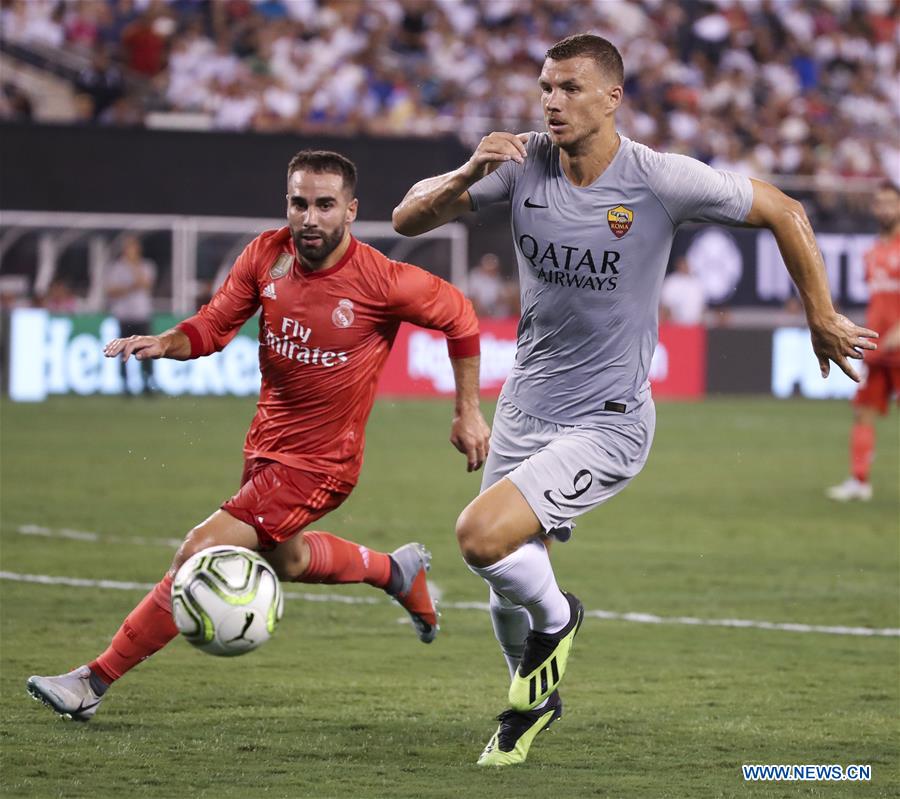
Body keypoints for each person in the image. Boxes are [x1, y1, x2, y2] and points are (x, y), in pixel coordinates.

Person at [392, 33, 878, 766]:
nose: (552, 102)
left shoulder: (658, 178)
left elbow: (784, 207)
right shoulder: (520, 163)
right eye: (546, 87)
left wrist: (819, 310)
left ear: (612, 97)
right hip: (525, 406)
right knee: (500, 588)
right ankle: (533, 700)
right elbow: (407, 219)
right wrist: (466, 171)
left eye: (570, 88)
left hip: (607, 419)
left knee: (480, 537)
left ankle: (562, 620)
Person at [26, 149, 491, 721]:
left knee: (199, 551)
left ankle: (90, 682)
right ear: (287, 204)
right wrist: (165, 342)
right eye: (300, 203)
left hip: (322, 463)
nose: (310, 218)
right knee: (288, 561)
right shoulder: (266, 256)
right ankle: (396, 571)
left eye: (325, 205)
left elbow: (461, 317)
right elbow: (214, 327)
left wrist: (467, 411)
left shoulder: (382, 281)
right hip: (265, 449)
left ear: (351, 210)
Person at [827, 182, 900, 502]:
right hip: (877, 347)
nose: (884, 209)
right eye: (880, 203)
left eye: (890, 203)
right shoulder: (872, 251)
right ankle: (860, 482)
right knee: (863, 412)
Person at [106, 234, 157, 395]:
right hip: (124, 315)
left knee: (147, 351)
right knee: (123, 352)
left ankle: (147, 383)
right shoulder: (117, 267)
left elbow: (146, 283)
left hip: (142, 315)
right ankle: (125, 385)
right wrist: (130, 286)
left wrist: (133, 268)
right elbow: (111, 290)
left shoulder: (147, 265)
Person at [659, 256, 706, 325]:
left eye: (686, 264)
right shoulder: (671, 282)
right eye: (683, 264)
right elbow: (665, 306)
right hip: (675, 324)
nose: (685, 266)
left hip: (695, 324)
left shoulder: (697, 283)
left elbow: (702, 306)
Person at [467, 252, 507, 318]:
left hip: (492, 309)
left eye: (492, 267)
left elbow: (501, 296)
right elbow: (468, 294)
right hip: (477, 308)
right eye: (488, 265)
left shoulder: (497, 279)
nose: (490, 269)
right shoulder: (474, 276)